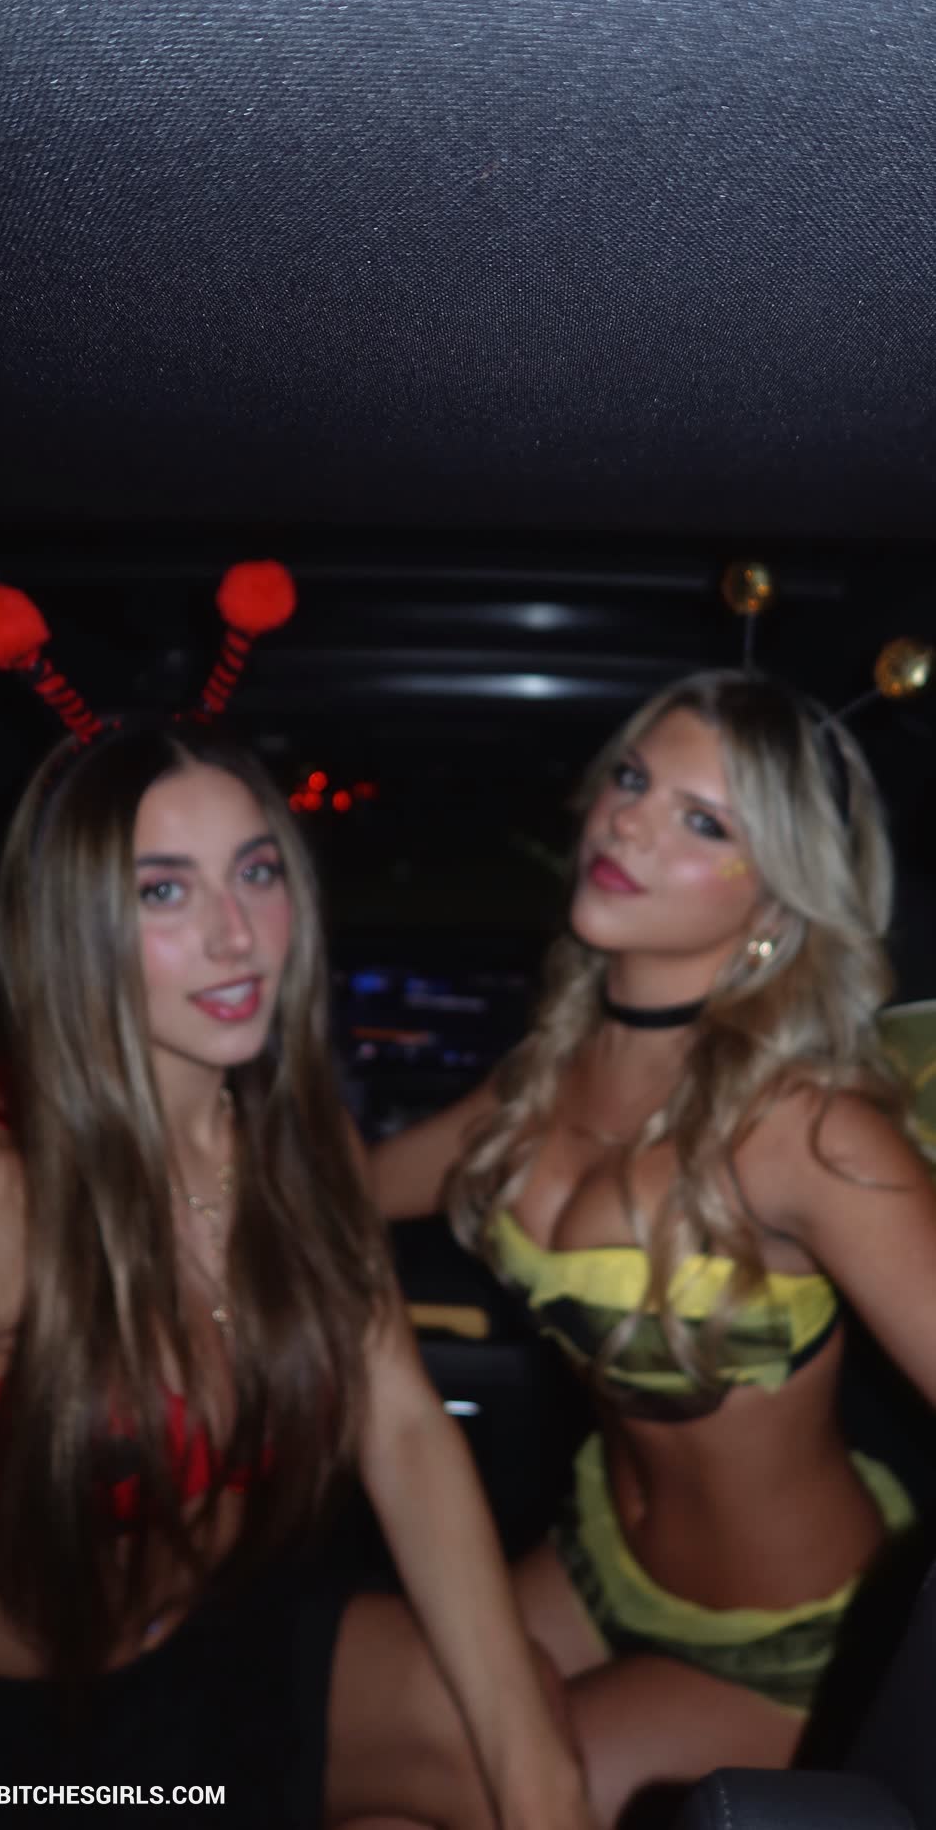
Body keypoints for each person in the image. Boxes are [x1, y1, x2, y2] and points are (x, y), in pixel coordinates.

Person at [0, 719, 587, 1829]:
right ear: (73, 927)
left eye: (255, 873)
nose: (236, 934)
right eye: (163, 891)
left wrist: (545, 1785)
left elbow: (403, 1427)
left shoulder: (305, 1143)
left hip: (225, 1646)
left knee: (517, 1730)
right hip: (11, 1734)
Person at [371, 669, 936, 1828]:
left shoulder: (810, 1132)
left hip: (780, 1644)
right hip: (592, 1561)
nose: (629, 821)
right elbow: (344, 1192)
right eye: (632, 778)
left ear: (776, 899)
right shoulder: (543, 1076)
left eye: (704, 822)